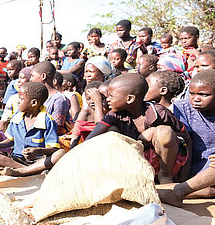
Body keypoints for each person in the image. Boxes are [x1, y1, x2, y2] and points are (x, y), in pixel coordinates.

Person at [86, 74, 189, 184]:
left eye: (112, 96)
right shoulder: (114, 115)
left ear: (130, 99)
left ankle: (165, 176)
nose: (107, 100)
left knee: (164, 131)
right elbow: (93, 136)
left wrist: (185, 177)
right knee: (111, 132)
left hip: (164, 162)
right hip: (137, 165)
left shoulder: (159, 112)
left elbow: (185, 137)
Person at [160, 69, 215, 206]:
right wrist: (184, 175)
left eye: (204, 95)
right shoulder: (182, 107)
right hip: (196, 166)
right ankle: (173, 189)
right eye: (192, 94)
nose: (196, 99)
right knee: (207, 190)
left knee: (209, 191)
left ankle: (177, 192)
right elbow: (186, 142)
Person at [0, 82, 60, 170]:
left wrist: (37, 151)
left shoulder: (47, 121)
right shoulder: (17, 116)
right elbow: (10, 140)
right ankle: (26, 170)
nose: (18, 101)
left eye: (21, 98)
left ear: (34, 103)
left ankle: (24, 171)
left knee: (60, 153)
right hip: (17, 159)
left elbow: (53, 148)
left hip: (38, 161)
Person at [31, 61, 71, 134]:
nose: (31, 79)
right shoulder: (38, 97)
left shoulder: (59, 99)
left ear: (43, 76)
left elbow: (56, 126)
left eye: (33, 76)